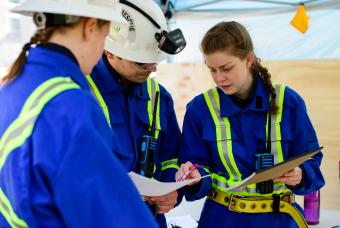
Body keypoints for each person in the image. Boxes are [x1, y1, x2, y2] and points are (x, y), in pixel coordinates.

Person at [0, 0, 158, 227]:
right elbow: (114, 216)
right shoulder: (70, 106)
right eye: (105, 37)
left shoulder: (12, 87)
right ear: (90, 27)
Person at [175, 21, 325, 228]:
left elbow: (312, 159)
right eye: (212, 70)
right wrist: (194, 177)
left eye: (226, 68)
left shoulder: (288, 102)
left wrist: (300, 174)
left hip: (279, 220)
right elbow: (196, 165)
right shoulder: (200, 109)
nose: (219, 78)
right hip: (222, 220)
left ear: (248, 59)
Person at [87, 0, 186, 227]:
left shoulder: (160, 97)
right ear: (111, 53)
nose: (153, 69)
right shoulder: (81, 93)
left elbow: (171, 157)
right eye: (143, 63)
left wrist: (171, 191)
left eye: (156, 60)